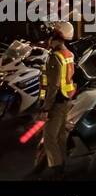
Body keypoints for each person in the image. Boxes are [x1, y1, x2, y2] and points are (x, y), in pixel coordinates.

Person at [35, 21, 77, 178]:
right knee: (60, 136)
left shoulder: (55, 57)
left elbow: (53, 86)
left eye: (51, 35)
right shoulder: (69, 54)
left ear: (56, 37)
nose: (48, 39)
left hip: (56, 102)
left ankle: (56, 170)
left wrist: (46, 108)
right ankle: (62, 165)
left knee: (49, 138)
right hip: (66, 100)